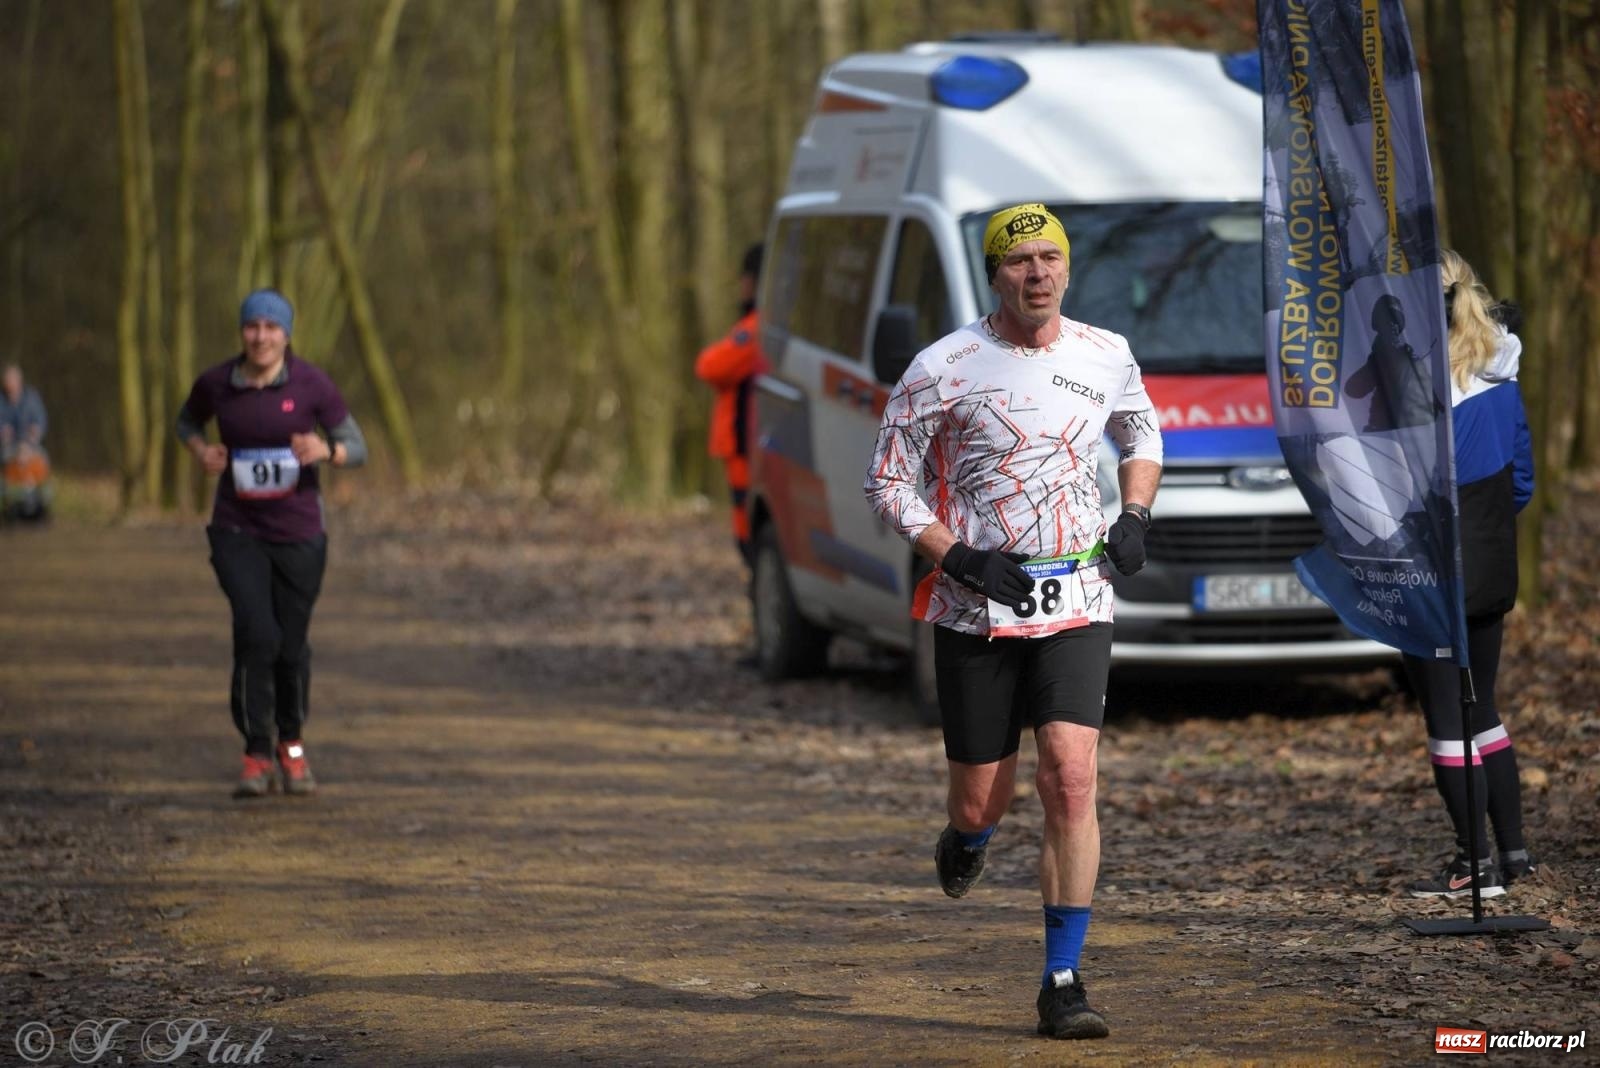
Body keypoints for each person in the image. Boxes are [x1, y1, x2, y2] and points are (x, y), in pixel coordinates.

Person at [863, 204, 1162, 1040]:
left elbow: (1142, 431)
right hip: (974, 608)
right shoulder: (942, 366)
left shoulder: (1106, 355)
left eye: (1049, 257)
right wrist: (953, 557)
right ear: (994, 274)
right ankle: (967, 838)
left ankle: (1062, 978)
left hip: (1076, 601)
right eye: (1019, 261)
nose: (1037, 273)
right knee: (979, 799)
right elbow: (887, 482)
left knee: (1070, 775)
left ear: (1068, 268)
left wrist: (1133, 516)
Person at [176, 289, 367, 798]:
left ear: (287, 334)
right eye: (252, 326)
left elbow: (358, 445)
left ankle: (293, 748)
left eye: (271, 327)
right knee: (257, 632)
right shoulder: (217, 383)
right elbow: (185, 421)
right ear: (242, 332)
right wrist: (202, 451)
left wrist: (326, 449)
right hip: (237, 529)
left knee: (291, 646)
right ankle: (256, 751)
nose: (260, 336)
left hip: (300, 534)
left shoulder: (311, 385)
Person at [1403, 249, 1536, 899]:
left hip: (1434, 570)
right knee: (1482, 706)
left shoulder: (1416, 393)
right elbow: (1523, 482)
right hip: (1493, 564)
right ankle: (1513, 855)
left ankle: (1472, 863)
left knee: (1445, 719)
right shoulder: (1502, 377)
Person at [693, 243, 766, 566]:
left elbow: (711, 366)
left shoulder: (755, 329)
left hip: (744, 444)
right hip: (744, 444)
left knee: (747, 528)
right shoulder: (759, 325)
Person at [0, 363, 52, 519]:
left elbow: (40, 422)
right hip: (8, 448)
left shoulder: (31, 398)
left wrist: (32, 437)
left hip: (31, 447)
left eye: (13, 381)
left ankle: (42, 502)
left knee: (42, 460)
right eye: (7, 381)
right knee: (7, 462)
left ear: (19, 381)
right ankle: (10, 503)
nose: (10, 385)